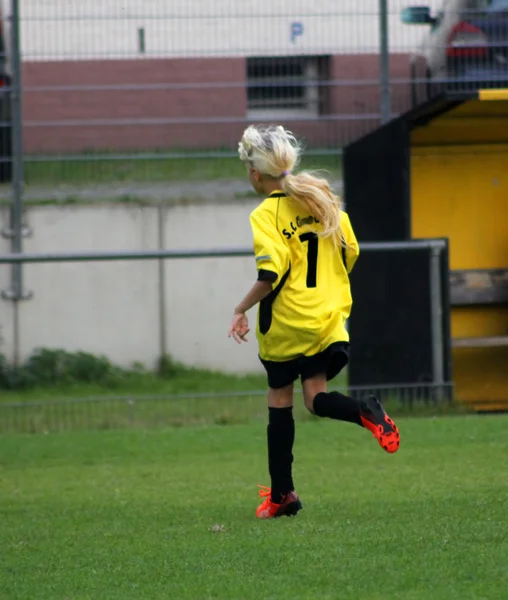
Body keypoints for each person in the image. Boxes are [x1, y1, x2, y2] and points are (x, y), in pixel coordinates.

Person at [228, 125, 400, 520]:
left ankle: (282, 496)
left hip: (288, 324)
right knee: (316, 399)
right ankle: (365, 410)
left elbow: (270, 273)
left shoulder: (265, 214)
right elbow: (350, 251)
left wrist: (240, 309)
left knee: (280, 400)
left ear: (255, 173)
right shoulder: (321, 201)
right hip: (327, 319)